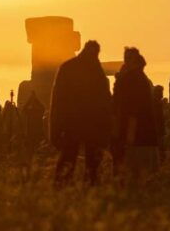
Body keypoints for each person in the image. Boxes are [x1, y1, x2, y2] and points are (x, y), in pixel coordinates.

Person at [49, 41, 112, 186]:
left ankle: (63, 189)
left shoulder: (68, 68)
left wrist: (54, 128)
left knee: (71, 161)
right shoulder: (96, 72)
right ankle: (86, 190)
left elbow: (57, 101)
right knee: (87, 165)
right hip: (85, 125)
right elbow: (105, 102)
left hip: (75, 124)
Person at [112, 48, 158, 183]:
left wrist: (127, 139)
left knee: (129, 180)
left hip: (134, 140)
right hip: (147, 138)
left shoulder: (130, 80)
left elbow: (130, 112)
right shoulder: (142, 79)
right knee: (145, 181)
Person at [152, 86, 167, 159]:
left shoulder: (157, 103)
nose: (162, 94)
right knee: (159, 149)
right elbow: (158, 118)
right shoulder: (156, 104)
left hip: (159, 130)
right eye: (161, 92)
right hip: (157, 131)